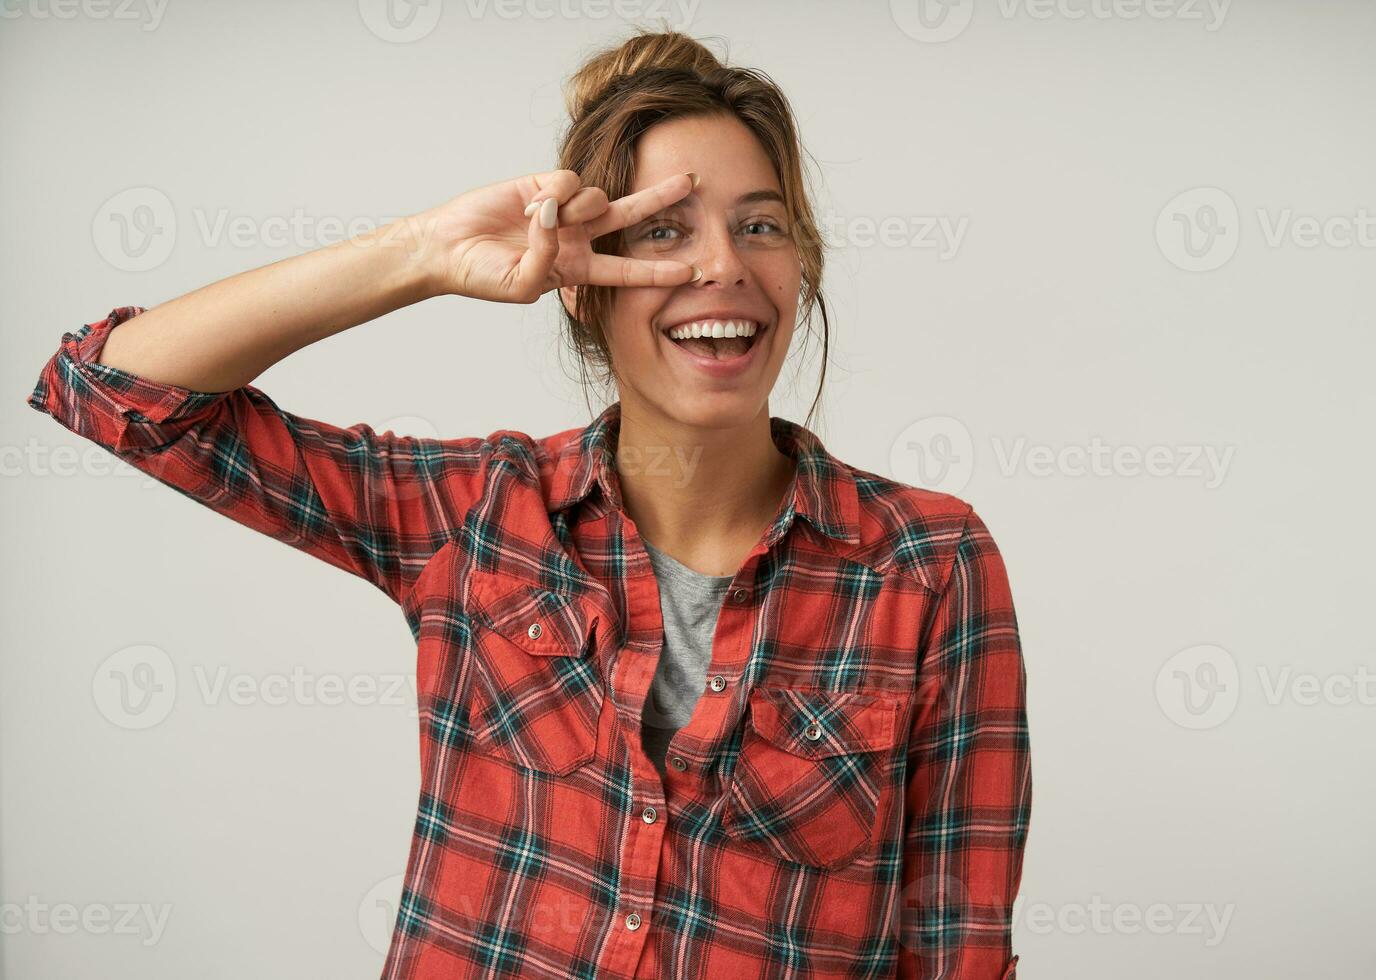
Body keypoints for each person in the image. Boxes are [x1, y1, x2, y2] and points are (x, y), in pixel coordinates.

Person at [25, 26, 1031, 980]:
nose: (722, 263)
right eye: (664, 231)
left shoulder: (928, 562)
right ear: (584, 282)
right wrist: (424, 251)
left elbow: (957, 943)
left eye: (759, 224)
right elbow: (114, 391)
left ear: (802, 262)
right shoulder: (481, 511)